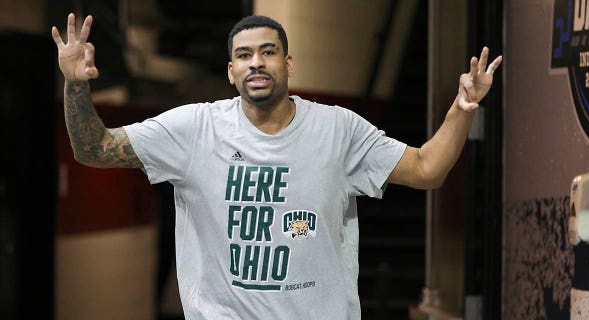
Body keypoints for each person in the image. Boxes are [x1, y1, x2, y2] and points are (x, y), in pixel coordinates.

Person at [52, 13, 501, 320]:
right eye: (245, 56)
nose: (256, 64)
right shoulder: (194, 128)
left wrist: (463, 107)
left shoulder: (337, 130)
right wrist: (74, 86)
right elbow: (95, 149)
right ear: (231, 71)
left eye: (268, 53)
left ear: (287, 63)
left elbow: (427, 169)